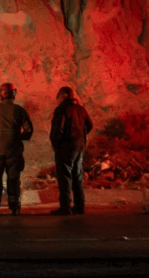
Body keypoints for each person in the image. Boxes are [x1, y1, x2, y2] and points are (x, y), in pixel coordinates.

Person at [0, 82, 34, 216]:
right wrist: (18, 137)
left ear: (1, 94)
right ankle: (14, 207)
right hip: (14, 150)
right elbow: (29, 130)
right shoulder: (20, 111)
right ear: (14, 94)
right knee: (13, 178)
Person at [49, 86, 93, 216]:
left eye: (58, 97)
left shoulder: (61, 110)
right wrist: (80, 136)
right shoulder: (81, 109)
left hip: (65, 146)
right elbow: (89, 125)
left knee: (65, 177)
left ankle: (65, 207)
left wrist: (56, 144)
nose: (57, 100)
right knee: (77, 176)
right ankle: (80, 206)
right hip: (79, 146)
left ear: (63, 96)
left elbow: (58, 130)